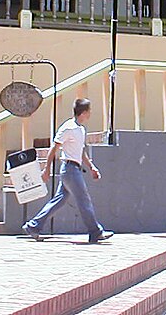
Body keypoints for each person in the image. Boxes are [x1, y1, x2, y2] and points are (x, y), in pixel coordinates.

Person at [22, 98, 113, 243]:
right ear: (83, 112)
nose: (90, 113)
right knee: (84, 200)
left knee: (59, 200)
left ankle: (33, 226)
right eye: (89, 111)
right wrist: (46, 169)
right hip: (70, 170)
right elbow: (54, 148)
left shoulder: (81, 129)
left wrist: (91, 167)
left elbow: (81, 152)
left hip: (74, 169)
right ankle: (95, 231)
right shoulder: (68, 128)